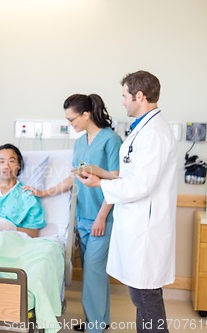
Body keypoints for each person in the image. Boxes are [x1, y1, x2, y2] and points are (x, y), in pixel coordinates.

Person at [77, 71, 178, 333]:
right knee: (141, 297)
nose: (122, 102)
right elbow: (131, 174)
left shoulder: (154, 133)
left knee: (146, 298)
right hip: (137, 225)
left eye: (125, 96)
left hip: (145, 230)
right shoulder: (143, 129)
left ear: (139, 96)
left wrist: (101, 184)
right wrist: (103, 173)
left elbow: (142, 184)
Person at [23, 94, 122, 333]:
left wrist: (101, 216)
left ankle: (94, 327)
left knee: (93, 273)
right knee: (93, 271)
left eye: (72, 119)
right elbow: (73, 177)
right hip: (83, 216)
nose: (71, 124)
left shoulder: (111, 140)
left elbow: (117, 179)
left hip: (103, 217)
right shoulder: (80, 143)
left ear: (86, 114)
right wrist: (45, 192)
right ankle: (101, 319)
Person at [0, 143, 46, 238]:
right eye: (2, 161)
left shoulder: (28, 196)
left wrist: (10, 229)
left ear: (19, 165)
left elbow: (33, 233)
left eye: (11, 161)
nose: (6, 166)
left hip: (10, 240)